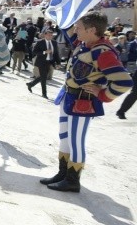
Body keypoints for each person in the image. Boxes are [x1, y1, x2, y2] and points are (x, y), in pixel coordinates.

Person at [40, 13, 132, 192]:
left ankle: (73, 181)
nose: (76, 30)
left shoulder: (102, 51)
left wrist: (103, 94)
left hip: (83, 102)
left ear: (91, 30)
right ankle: (63, 173)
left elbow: (124, 82)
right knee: (64, 138)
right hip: (68, 98)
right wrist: (54, 2)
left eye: (79, 28)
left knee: (76, 141)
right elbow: (66, 30)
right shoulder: (84, 44)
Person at [27, 29, 59, 99]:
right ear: (45, 35)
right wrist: (44, 52)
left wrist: (58, 63)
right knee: (44, 78)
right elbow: (34, 52)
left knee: (43, 76)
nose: (50, 37)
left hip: (49, 62)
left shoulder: (54, 43)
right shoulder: (40, 42)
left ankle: (30, 84)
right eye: (49, 35)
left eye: (51, 35)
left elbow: (56, 53)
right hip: (41, 62)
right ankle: (44, 94)